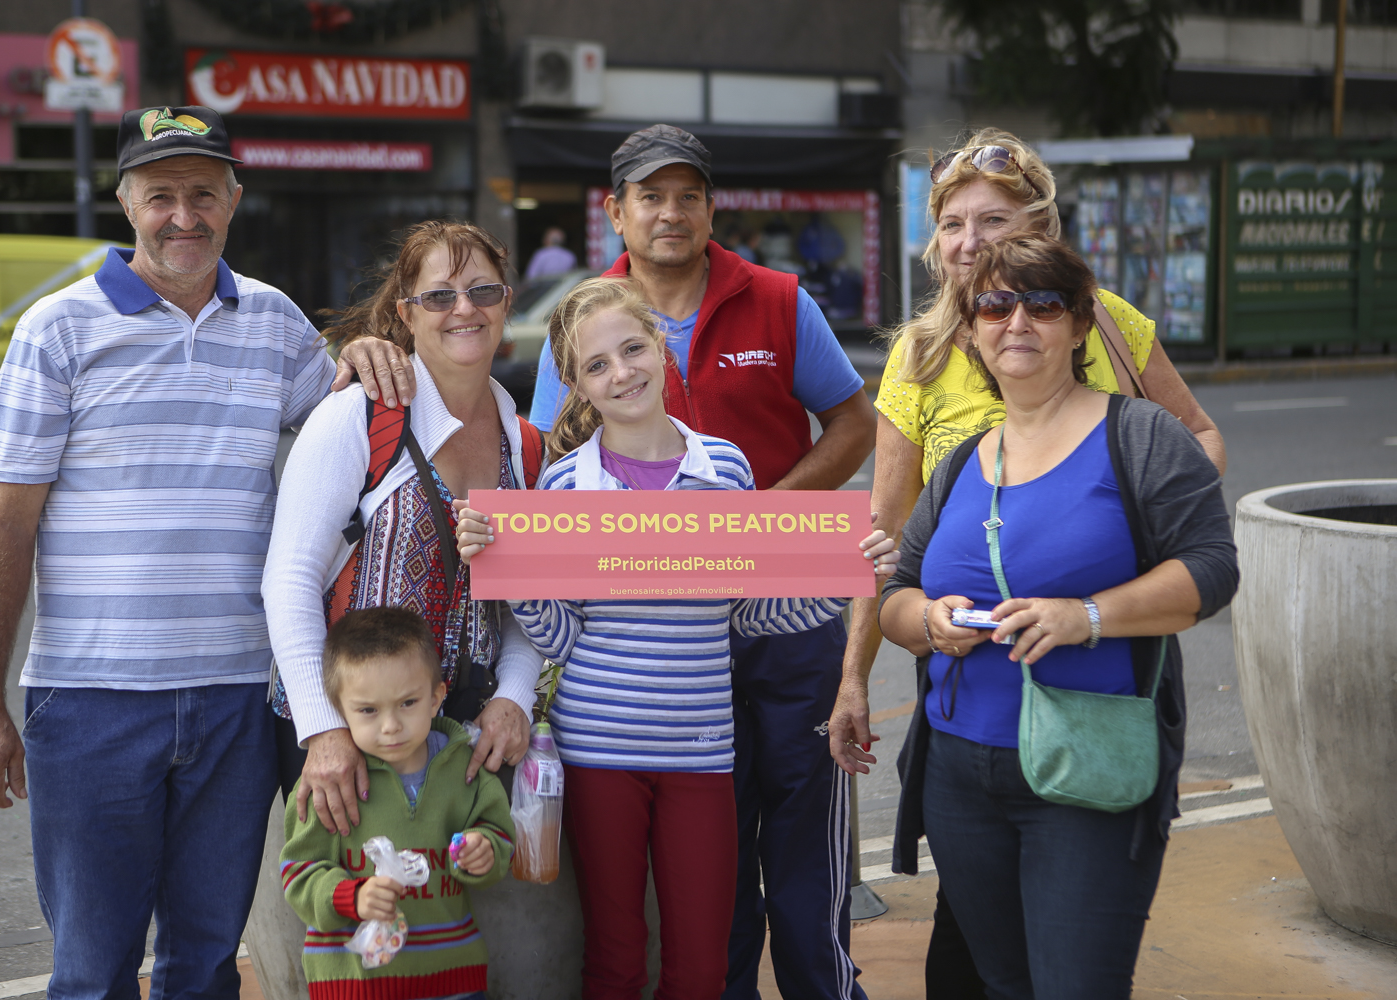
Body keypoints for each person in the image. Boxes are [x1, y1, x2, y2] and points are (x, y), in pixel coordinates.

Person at [0, 105, 410, 998]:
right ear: (127, 204)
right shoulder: (58, 330)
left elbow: (351, 440)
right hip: (91, 704)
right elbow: (4, 527)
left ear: (235, 200)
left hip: (238, 701)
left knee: (204, 965)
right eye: (161, 195)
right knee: (93, 969)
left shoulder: (273, 323)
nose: (184, 215)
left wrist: (365, 351)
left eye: (204, 192)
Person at [826, 129, 1228, 996]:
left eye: (995, 220)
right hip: (967, 728)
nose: (974, 244)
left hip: (1096, 708)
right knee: (979, 967)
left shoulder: (1106, 323)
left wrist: (1135, 524)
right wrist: (860, 674)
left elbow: (1199, 476)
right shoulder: (926, 357)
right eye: (956, 225)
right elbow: (884, 540)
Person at [454, 276, 897, 1000]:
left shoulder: (725, 470)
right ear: (576, 385)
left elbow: (745, 616)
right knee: (618, 959)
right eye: (598, 365)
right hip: (598, 753)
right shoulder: (565, 486)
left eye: (633, 349)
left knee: (697, 967)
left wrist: (843, 575)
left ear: (663, 351)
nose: (621, 371)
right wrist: (507, 571)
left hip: (702, 752)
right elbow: (562, 638)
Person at [524, 124, 877, 999]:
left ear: (712, 207)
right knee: (703, 886)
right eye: (651, 196)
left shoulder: (779, 299)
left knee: (801, 844)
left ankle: (821, 987)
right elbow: (544, 469)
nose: (671, 212)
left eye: (688, 195)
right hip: (655, 659)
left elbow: (854, 425)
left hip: (777, 622)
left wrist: (759, 531)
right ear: (616, 213)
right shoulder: (583, 321)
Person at [262, 220, 543, 848]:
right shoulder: (358, 416)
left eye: (483, 291)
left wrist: (516, 697)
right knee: (363, 924)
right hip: (353, 735)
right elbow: (288, 580)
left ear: (506, 304)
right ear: (406, 313)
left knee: (448, 927)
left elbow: (526, 605)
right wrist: (324, 730)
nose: (464, 309)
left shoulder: (525, 446)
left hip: (461, 743)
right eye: (440, 296)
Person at [280, 605, 514, 998]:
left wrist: (484, 850)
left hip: (453, 981)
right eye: (368, 711)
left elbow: (498, 835)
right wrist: (351, 897)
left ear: (438, 695)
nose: (390, 726)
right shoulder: (330, 783)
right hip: (355, 985)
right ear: (337, 709)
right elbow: (298, 874)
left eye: (408, 703)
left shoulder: (465, 768)